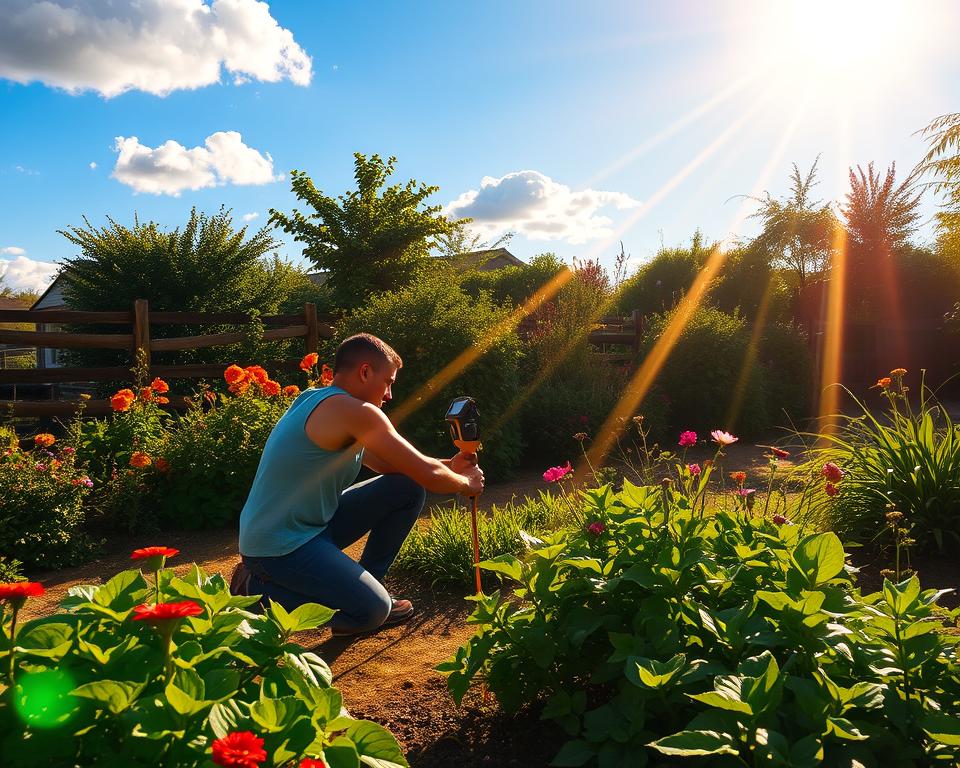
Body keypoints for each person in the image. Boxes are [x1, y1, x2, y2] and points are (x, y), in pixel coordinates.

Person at [232, 333, 484, 636]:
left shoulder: (315, 398)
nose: (390, 394)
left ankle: (366, 588)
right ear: (365, 372)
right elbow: (429, 476)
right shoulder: (357, 412)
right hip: (278, 547)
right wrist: (466, 483)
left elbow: (398, 467)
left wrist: (450, 467)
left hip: (309, 527)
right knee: (372, 611)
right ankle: (255, 591)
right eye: (388, 381)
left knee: (405, 487)